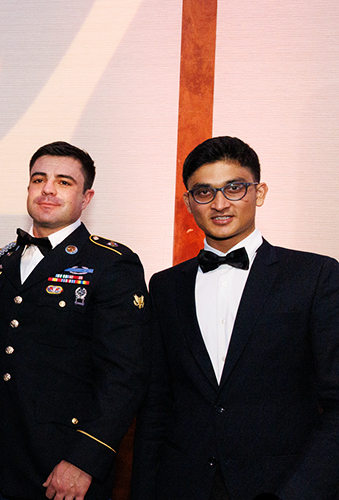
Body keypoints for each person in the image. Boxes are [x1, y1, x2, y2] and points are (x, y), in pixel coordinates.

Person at [131, 136, 339, 500]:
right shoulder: (165, 286)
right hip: (184, 487)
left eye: (234, 188)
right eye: (204, 192)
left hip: (283, 486)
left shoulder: (315, 275)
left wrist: (301, 492)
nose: (220, 203)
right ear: (188, 203)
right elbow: (158, 406)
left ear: (259, 193)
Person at [0, 141, 150, 500]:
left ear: (86, 197)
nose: (47, 189)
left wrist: (86, 459)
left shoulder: (111, 264)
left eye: (64, 182)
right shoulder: (1, 261)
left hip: (64, 468)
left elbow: (124, 375)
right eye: (38, 179)